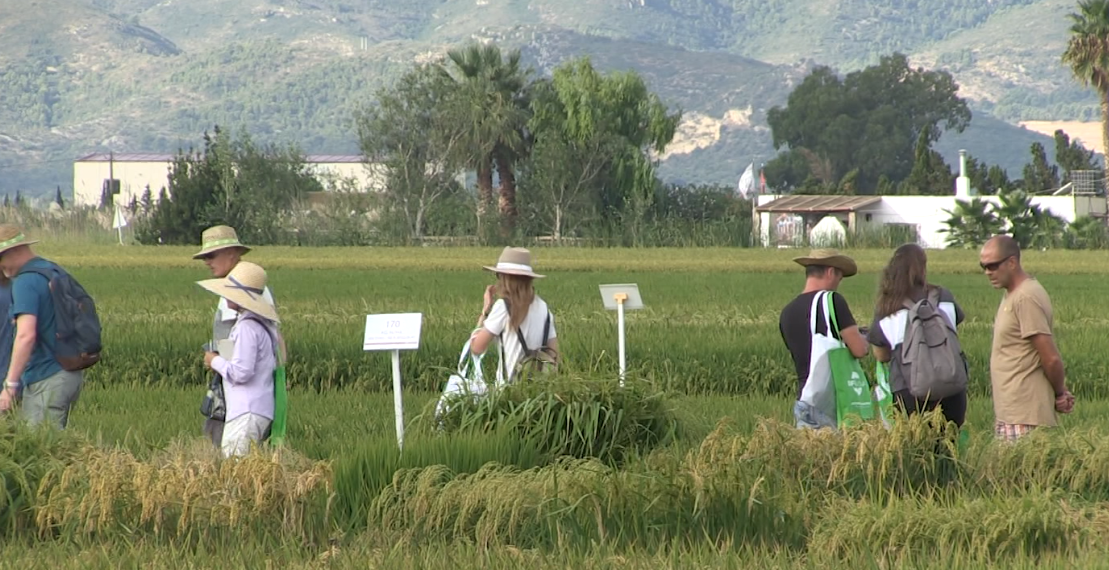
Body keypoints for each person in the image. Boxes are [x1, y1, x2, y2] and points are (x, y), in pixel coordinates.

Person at [980, 235, 1073, 441]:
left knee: (1020, 473)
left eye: (993, 266)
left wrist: (1059, 393)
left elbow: (1050, 357)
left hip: (1024, 416)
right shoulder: (1013, 294)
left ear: (1012, 262)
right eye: (984, 266)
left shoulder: (1025, 297)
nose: (988, 272)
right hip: (1012, 413)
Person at [193, 225, 276, 447]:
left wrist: (217, 362)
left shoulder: (242, 293)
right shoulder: (251, 288)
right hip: (248, 391)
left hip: (241, 393)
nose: (207, 262)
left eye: (211, 256)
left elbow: (235, 351)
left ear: (231, 253)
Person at [868, 243, 967, 427]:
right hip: (952, 387)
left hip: (908, 390)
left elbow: (881, 355)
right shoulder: (944, 296)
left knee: (913, 450)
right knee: (947, 448)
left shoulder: (888, 306)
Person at [0, 225, 84, 428]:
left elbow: (25, 336)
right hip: (70, 374)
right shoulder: (52, 270)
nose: (2, 268)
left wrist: (10, 386)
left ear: (13, 252)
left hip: (47, 377)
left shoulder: (25, 281)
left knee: (41, 448)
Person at [779, 248, 869, 429]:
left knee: (811, 455)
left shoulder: (787, 312)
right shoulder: (832, 300)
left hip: (805, 398)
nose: (838, 284)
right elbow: (860, 349)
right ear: (830, 272)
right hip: (830, 400)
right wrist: (866, 336)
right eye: (839, 278)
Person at [469, 247, 558, 385]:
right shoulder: (544, 308)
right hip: (539, 394)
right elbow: (553, 355)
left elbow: (476, 348)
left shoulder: (503, 307)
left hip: (508, 393)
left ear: (504, 278)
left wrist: (485, 311)